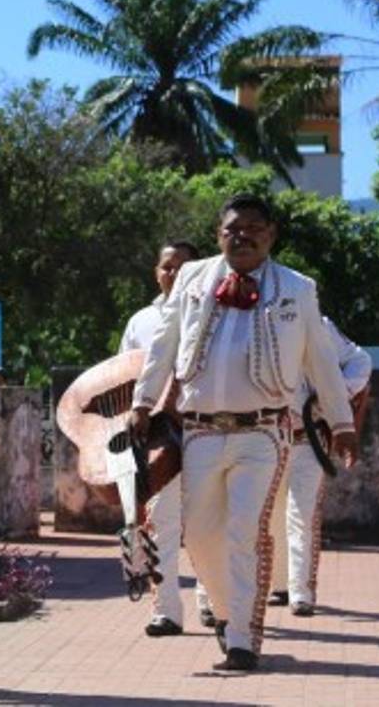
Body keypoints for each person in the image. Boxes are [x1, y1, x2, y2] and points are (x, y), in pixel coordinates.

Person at [128, 193, 358, 673]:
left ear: (271, 235)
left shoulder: (298, 288)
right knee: (199, 536)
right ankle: (231, 612)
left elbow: (321, 359)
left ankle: (242, 640)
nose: (243, 235)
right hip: (200, 432)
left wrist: (341, 423)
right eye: (233, 228)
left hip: (264, 432)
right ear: (219, 234)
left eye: (255, 227)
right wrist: (142, 403)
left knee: (244, 532)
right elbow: (163, 347)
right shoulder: (192, 278)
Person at [118, 239, 210, 637]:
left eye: (181, 267)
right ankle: (167, 610)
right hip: (157, 438)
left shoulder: (216, 311)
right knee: (161, 524)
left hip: (207, 431)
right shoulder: (141, 321)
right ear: (156, 271)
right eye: (166, 266)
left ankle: (213, 602)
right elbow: (122, 376)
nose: (172, 273)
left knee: (208, 525)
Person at [269, 317, 371, 617]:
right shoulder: (252, 322)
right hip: (266, 438)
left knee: (301, 513)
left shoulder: (320, 325)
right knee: (272, 514)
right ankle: (281, 585)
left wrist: (335, 395)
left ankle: (301, 593)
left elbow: (360, 361)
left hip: (308, 436)